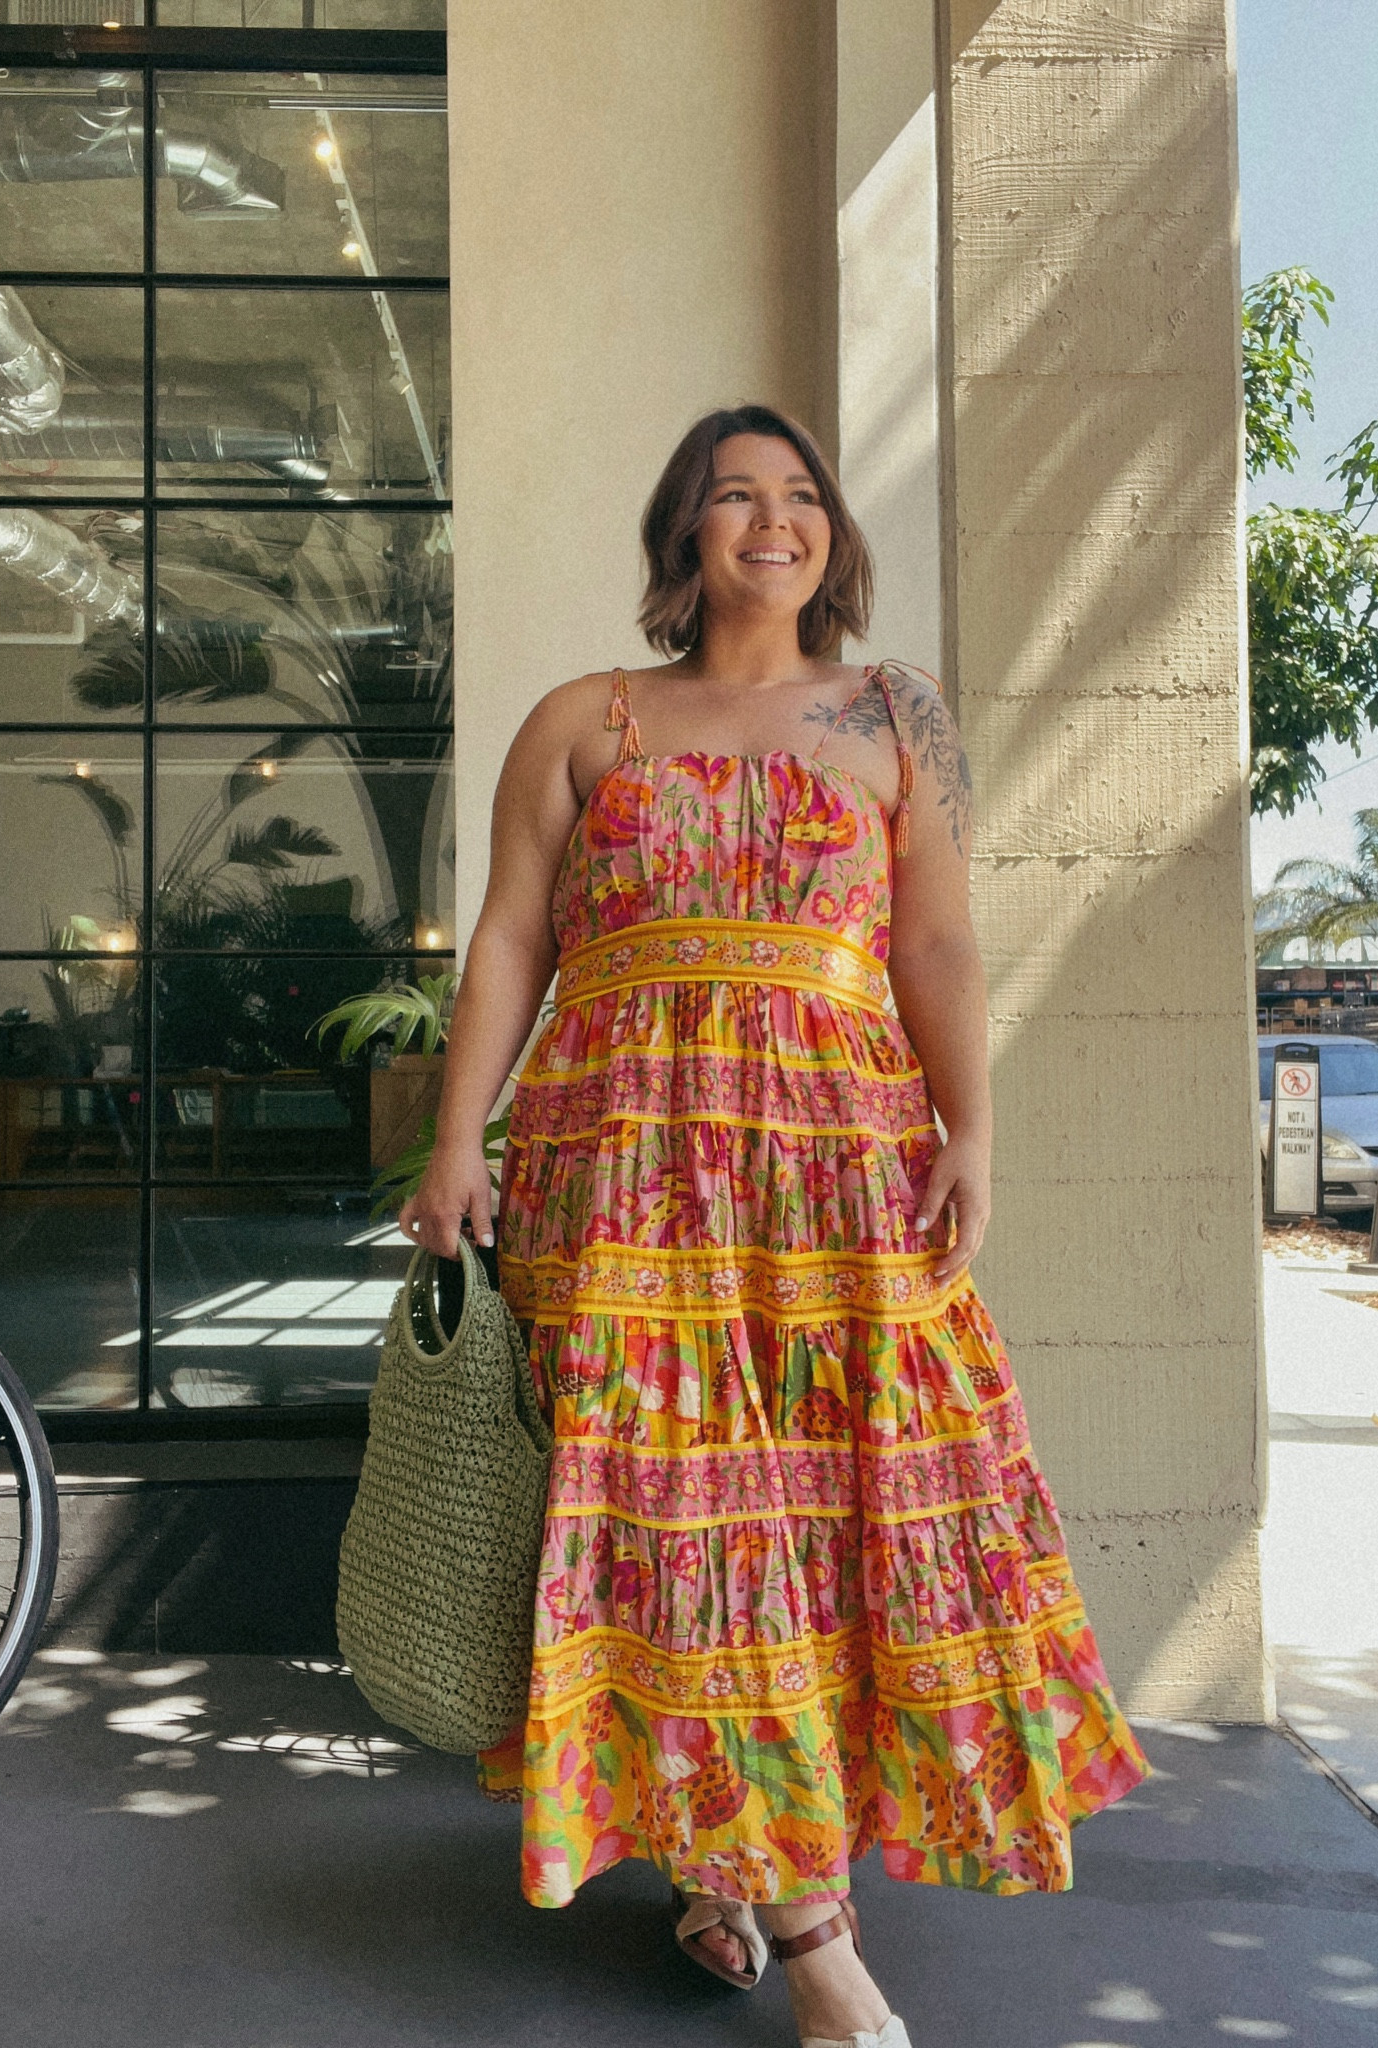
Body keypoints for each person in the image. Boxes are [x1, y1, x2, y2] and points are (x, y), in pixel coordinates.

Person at [399, 403, 1148, 2048]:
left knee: (812, 1520)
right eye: (734, 494)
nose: (771, 519)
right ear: (685, 533)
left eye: (799, 494)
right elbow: (512, 940)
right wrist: (459, 1142)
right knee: (675, 1517)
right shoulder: (585, 721)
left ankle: (734, 1859)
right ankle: (815, 1940)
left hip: (836, 1175)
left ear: (830, 534)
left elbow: (938, 945)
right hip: (623, 1176)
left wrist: (975, 1131)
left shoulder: (896, 714)